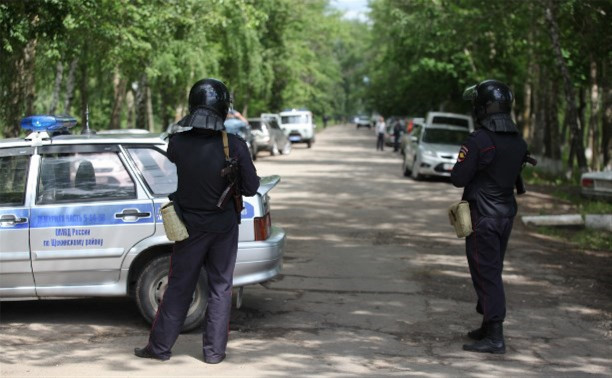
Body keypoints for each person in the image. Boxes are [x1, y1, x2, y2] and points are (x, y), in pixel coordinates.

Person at [134, 78, 260, 364]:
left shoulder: (177, 143)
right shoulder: (235, 146)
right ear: (222, 108)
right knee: (220, 288)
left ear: (193, 107)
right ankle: (214, 354)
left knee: (179, 287)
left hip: (189, 229)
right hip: (224, 227)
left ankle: (159, 348)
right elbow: (251, 188)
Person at [450, 79, 528, 354]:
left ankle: (495, 335)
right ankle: (487, 326)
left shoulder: (479, 140)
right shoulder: (518, 140)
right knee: (491, 270)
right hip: (505, 213)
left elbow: (458, 178)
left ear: (483, 108)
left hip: (483, 215)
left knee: (486, 272)